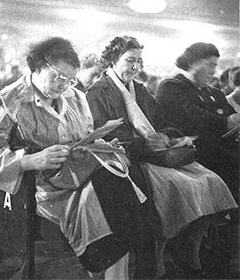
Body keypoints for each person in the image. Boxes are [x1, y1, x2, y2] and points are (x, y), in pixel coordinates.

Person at [0, 37, 160, 280]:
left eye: (70, 79)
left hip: (78, 174)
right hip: (41, 187)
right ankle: (111, 269)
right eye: (58, 77)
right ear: (37, 67)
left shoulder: (75, 97)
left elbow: (83, 138)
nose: (64, 86)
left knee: (123, 183)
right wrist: (32, 160)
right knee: (113, 195)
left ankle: (114, 271)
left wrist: (93, 147)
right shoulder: (9, 100)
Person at [86, 36, 237, 278]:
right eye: (129, 61)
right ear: (113, 61)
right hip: (129, 159)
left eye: (139, 61)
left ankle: (189, 247)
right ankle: (162, 253)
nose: (135, 67)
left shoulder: (141, 90)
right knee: (178, 188)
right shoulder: (97, 93)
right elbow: (105, 135)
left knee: (210, 180)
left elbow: (161, 122)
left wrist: (168, 136)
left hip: (154, 154)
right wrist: (146, 143)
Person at [155, 42, 240, 207]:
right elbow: (194, 117)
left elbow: (231, 119)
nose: (214, 72)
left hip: (222, 155)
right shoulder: (171, 87)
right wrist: (226, 123)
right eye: (210, 65)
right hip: (195, 156)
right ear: (193, 63)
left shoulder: (215, 93)